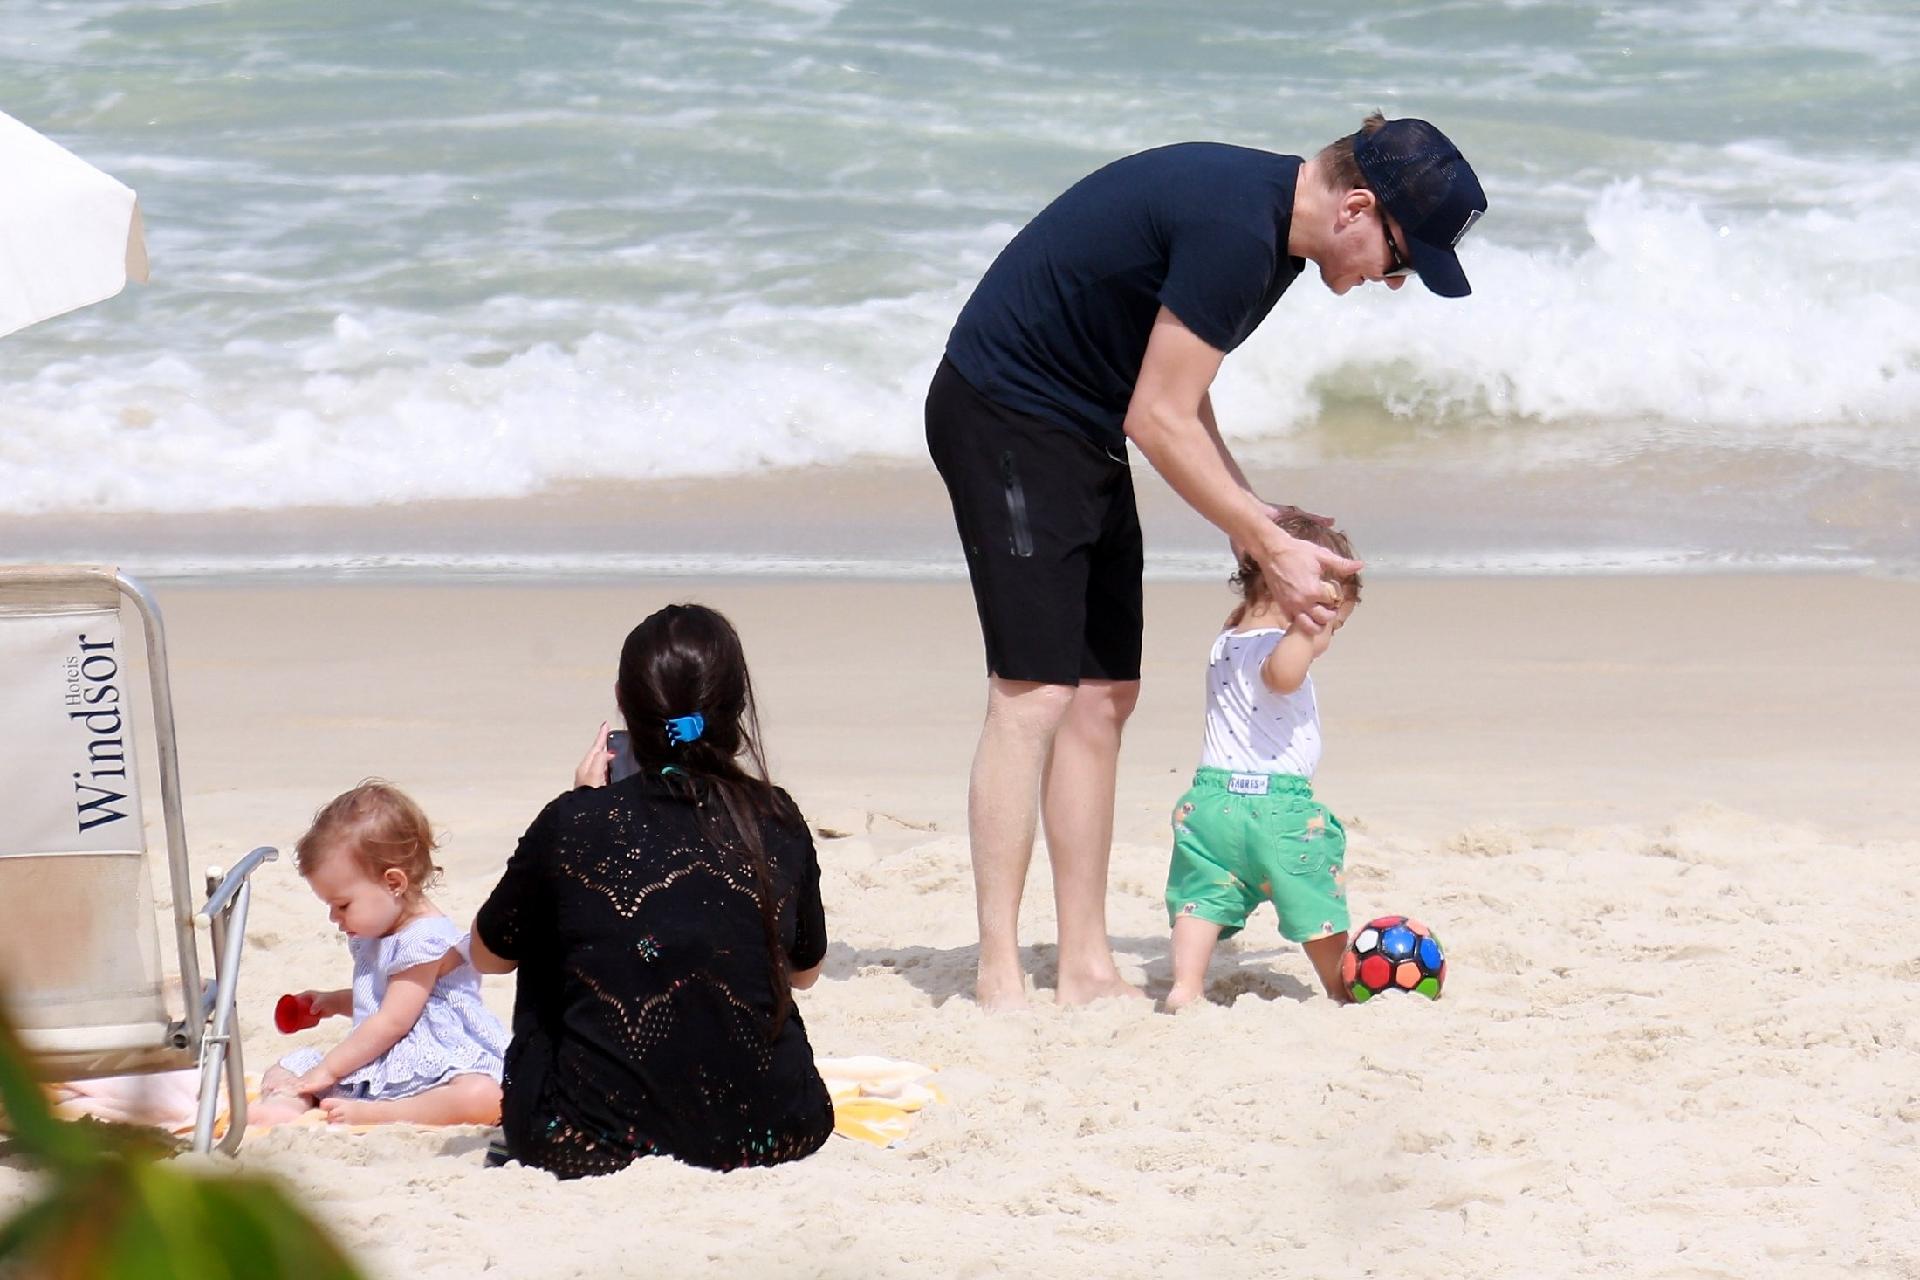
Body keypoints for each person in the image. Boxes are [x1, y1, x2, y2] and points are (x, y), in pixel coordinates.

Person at [926, 112, 1485, 1007]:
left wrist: (1249, 512)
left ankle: (1083, 964)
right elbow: (1157, 417)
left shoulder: (1271, 239)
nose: (1392, 281)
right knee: (1032, 692)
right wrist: (1266, 544)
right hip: (1008, 413)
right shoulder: (1237, 229)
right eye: (1401, 258)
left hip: (1083, 426)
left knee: (1105, 695)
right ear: (1358, 207)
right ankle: (999, 969)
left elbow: (1177, 391)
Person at [468, 603, 833, 1179]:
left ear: (622, 699)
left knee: (552, 913)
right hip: (775, 1129)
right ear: (735, 707)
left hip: (584, 1140)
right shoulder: (775, 815)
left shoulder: (573, 821)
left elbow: (488, 955)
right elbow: (804, 973)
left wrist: (584, 808)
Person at [1163, 514, 1362, 1011]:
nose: (1329, 639)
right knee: (1314, 895)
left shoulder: (1230, 632)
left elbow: (1256, 576)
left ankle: (1186, 985)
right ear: (1311, 602)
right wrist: (1306, 631)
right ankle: (1337, 985)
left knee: (1202, 897)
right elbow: (1282, 676)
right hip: (1279, 810)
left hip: (1209, 806)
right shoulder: (1288, 643)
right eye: (1335, 625)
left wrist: (1257, 530)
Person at [255, 781, 508, 1125]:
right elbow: (379, 998)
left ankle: (385, 1113)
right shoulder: (378, 928)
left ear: (394, 883)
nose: (334, 917)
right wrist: (331, 1002)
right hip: (388, 1053)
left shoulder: (424, 941)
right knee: (288, 1067)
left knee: (485, 1096)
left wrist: (328, 1069)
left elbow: (392, 1020)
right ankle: (285, 1105)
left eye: (342, 904)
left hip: (434, 1057)